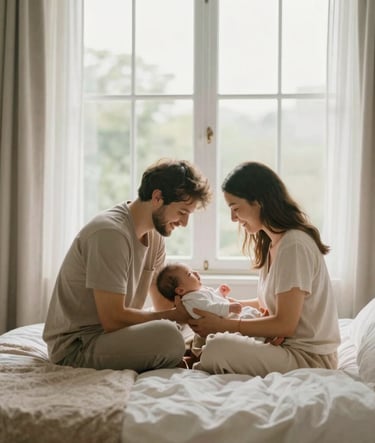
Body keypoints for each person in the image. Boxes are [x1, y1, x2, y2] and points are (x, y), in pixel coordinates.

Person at [42, 158, 211, 372]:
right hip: (80, 344)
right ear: (157, 197)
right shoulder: (110, 233)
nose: (185, 223)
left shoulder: (155, 237)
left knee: (182, 328)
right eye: (182, 212)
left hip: (113, 334)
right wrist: (172, 322)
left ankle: (182, 353)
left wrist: (197, 313)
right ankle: (176, 353)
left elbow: (163, 308)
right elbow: (112, 319)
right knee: (169, 337)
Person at [189, 161, 341, 377]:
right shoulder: (273, 243)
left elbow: (285, 324)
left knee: (217, 347)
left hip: (309, 358)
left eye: (235, 208)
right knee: (209, 335)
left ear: (258, 202)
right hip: (286, 347)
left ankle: (197, 357)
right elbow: (269, 304)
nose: (233, 218)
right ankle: (195, 353)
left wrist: (225, 323)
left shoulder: (294, 245)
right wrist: (223, 306)